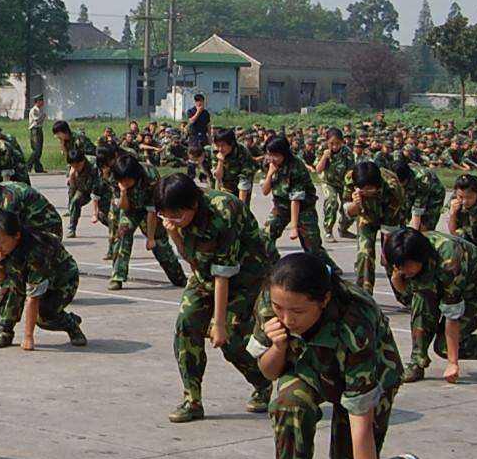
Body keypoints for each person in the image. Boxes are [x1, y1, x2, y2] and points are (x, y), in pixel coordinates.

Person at [256, 252, 432, 459]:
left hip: (372, 376)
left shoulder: (355, 322)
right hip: (311, 369)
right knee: (287, 402)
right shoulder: (275, 297)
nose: (286, 318)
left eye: (297, 311)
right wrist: (279, 345)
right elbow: (268, 371)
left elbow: (359, 419)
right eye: (278, 308)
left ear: (323, 300)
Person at [156, 173, 276, 422]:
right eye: (166, 215)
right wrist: (175, 232)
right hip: (205, 273)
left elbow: (225, 273)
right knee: (186, 324)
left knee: (230, 338)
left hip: (247, 275)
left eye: (176, 215)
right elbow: (193, 260)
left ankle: (262, 382)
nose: (172, 220)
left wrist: (218, 324)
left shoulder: (224, 211)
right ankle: (192, 400)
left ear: (193, 204)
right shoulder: (176, 217)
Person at [385, 227, 477, 384]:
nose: (402, 271)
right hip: (440, 281)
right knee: (421, 302)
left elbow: (452, 316)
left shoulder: (450, 261)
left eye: (406, 266)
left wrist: (452, 363)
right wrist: (398, 283)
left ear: (420, 258)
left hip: (476, 288)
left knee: (444, 346)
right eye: (399, 266)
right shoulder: (398, 260)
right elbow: (409, 299)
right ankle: (417, 361)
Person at [0, 207, 86, 350]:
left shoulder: (37, 252)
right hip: (34, 274)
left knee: (44, 317)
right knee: (12, 287)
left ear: (16, 236)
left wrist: (28, 337)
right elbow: (3, 282)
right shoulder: (1, 245)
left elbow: (34, 297)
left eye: (1, 241)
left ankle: (70, 324)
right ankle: (5, 330)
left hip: (62, 279)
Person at [105, 155, 187, 290]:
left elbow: (152, 210)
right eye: (122, 180)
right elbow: (123, 207)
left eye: (128, 180)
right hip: (130, 209)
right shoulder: (115, 178)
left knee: (159, 242)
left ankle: (178, 277)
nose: (124, 182)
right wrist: (124, 191)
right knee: (122, 233)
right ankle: (117, 277)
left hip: (151, 209)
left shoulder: (150, 176)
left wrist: (150, 238)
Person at [343, 159, 407, 294]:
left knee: (391, 258)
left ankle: (405, 295)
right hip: (366, 217)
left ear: (377, 186)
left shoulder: (393, 189)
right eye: (363, 189)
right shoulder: (351, 178)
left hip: (390, 219)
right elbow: (348, 211)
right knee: (364, 255)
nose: (366, 191)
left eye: (369, 189)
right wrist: (355, 204)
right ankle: (364, 296)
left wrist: (385, 253)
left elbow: (390, 227)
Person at [260, 134, 323, 255]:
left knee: (312, 246)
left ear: (285, 153)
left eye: (276, 155)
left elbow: (296, 199)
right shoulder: (269, 163)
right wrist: (270, 174)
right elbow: (265, 191)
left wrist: (294, 228)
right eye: (270, 154)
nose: (272, 158)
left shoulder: (296, 166)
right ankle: (273, 265)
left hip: (303, 207)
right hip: (281, 206)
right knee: (265, 236)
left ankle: (329, 270)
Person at [24, 94, 47, 173]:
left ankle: (38, 168)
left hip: (39, 130)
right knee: (36, 150)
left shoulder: (40, 110)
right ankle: (28, 165)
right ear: (37, 102)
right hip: (35, 130)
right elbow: (37, 120)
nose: (43, 102)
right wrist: (43, 117)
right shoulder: (34, 110)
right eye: (41, 101)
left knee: (39, 151)